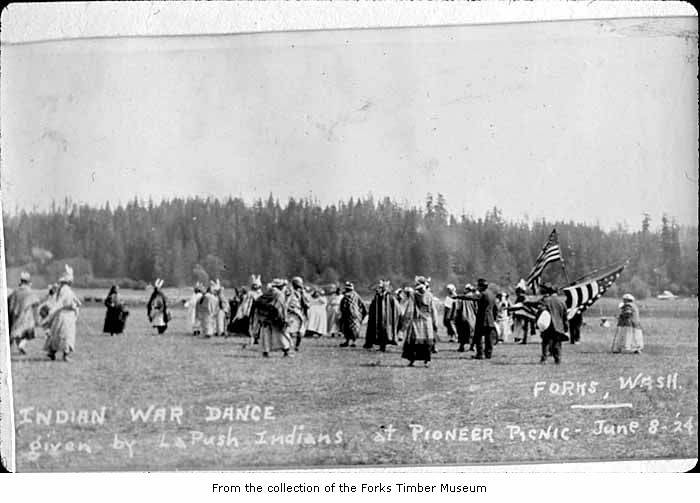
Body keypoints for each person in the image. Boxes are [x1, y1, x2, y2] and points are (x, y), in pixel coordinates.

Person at [43, 265, 81, 361]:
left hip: (65, 315)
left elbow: (74, 299)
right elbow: (61, 302)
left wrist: (76, 303)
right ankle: (65, 355)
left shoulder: (65, 289)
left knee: (58, 333)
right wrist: (72, 306)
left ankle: (52, 352)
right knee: (66, 335)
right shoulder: (65, 290)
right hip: (65, 315)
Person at [401, 276, 438, 367]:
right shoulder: (429, 295)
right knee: (426, 341)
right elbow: (433, 309)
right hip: (427, 320)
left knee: (414, 341)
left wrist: (405, 322)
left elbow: (409, 309)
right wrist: (435, 322)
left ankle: (412, 360)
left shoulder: (413, 295)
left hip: (416, 321)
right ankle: (426, 361)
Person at [252, 278, 293, 357]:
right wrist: (283, 318)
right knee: (281, 335)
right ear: (280, 286)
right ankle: (286, 352)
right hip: (275, 317)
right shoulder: (279, 294)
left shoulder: (268, 292)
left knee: (265, 335)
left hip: (265, 317)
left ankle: (265, 352)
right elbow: (281, 306)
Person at [459, 278, 498, 360]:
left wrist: (459, 297)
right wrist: (494, 318)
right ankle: (488, 354)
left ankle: (480, 354)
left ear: (481, 286)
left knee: (478, 337)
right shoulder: (492, 294)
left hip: (482, 319)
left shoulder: (483, 294)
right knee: (489, 339)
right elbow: (495, 308)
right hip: (490, 320)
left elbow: (472, 297)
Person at [7, 272, 40, 354]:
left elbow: (9, 302)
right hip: (26, 315)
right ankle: (21, 345)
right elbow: (36, 302)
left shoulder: (15, 291)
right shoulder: (30, 292)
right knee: (26, 332)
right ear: (28, 282)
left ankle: (13, 345)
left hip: (15, 314)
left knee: (16, 331)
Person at [364, 280, 401, 352]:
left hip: (387, 319)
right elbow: (372, 307)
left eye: (381, 288)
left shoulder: (390, 298)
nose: (379, 289)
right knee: (380, 332)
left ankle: (383, 347)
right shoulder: (377, 297)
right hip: (378, 319)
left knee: (385, 332)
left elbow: (397, 309)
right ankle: (381, 346)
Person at [538, 282, 569, 364]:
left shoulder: (545, 300)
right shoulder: (562, 302)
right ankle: (558, 359)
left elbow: (540, 311)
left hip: (548, 325)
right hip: (559, 326)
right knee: (557, 343)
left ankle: (544, 359)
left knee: (545, 342)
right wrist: (566, 328)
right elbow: (565, 316)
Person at [232, 275, 264, 342]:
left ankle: (256, 337)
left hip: (258, 311)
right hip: (251, 311)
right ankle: (253, 336)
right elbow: (245, 303)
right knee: (252, 323)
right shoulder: (250, 293)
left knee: (258, 324)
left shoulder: (260, 294)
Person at [338, 281, 367, 348]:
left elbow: (363, 305)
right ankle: (348, 341)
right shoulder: (350, 296)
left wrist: (363, 314)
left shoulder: (353, 295)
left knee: (353, 329)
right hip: (348, 315)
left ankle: (354, 342)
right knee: (347, 328)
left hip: (353, 315)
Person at [286, 277, 310, 351]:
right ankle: (288, 345)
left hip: (299, 312)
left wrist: (303, 294)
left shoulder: (302, 292)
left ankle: (297, 346)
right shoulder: (289, 291)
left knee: (301, 331)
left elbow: (306, 303)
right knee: (289, 330)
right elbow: (286, 302)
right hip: (291, 312)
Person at [452, 283, 477, 352]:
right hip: (472, 318)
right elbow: (476, 308)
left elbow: (458, 308)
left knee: (463, 333)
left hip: (464, 316)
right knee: (472, 333)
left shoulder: (463, 298)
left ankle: (462, 347)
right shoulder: (474, 297)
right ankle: (472, 347)